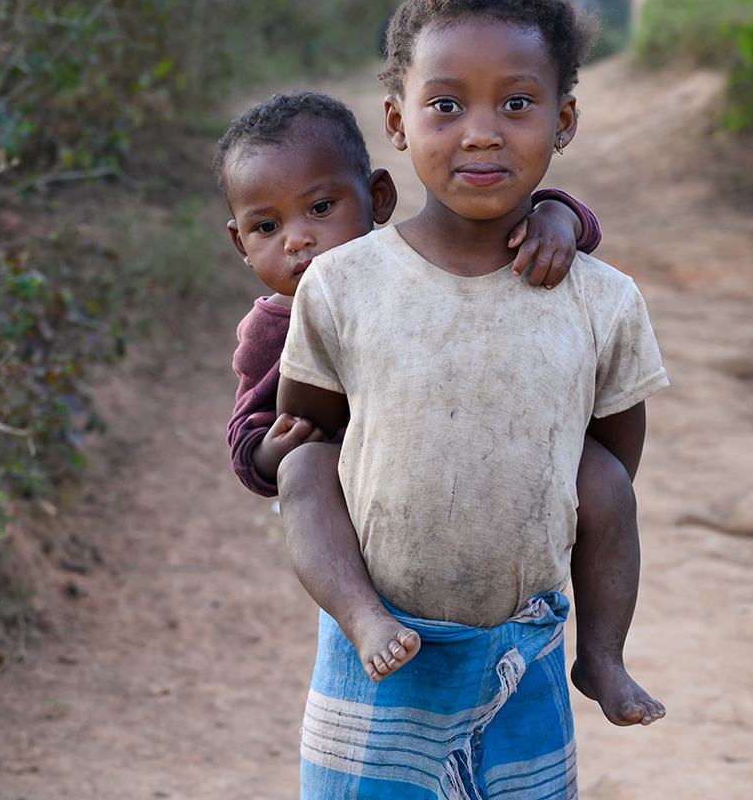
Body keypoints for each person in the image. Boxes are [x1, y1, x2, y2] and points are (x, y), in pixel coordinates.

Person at [277, 0, 669, 797]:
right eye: (446, 105)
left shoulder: (602, 299)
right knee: (307, 461)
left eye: (516, 104)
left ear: (563, 119)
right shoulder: (344, 283)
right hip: (378, 660)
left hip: (521, 657)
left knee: (602, 479)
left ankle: (599, 659)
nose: (481, 133)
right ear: (396, 119)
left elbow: (610, 460)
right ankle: (363, 614)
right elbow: (313, 428)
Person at [217, 91, 603, 686]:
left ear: (376, 199)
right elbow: (246, 442)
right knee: (303, 471)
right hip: (358, 519)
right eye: (267, 227)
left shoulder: (404, 271)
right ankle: (365, 620)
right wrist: (274, 447)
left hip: (450, 481)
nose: (296, 240)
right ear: (241, 244)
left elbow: (484, 229)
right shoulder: (268, 330)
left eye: (321, 208)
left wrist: (560, 215)